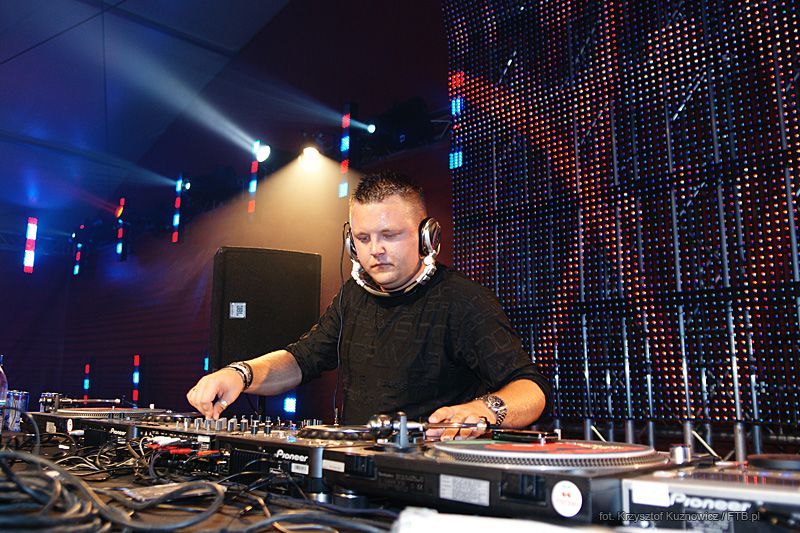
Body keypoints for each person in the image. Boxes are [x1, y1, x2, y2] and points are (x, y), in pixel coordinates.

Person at [187, 171, 550, 439]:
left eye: (390, 235)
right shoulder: (352, 297)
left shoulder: (463, 300)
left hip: (428, 478)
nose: (375, 250)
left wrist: (482, 410)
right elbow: (303, 358)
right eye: (363, 238)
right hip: (356, 475)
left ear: (427, 236)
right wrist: (239, 373)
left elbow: (531, 389)